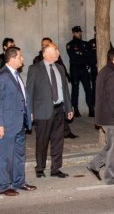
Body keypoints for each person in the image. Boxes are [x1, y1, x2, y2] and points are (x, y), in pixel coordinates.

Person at [0, 47, 37, 196]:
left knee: (19, 155)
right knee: (6, 157)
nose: (22, 59)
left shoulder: (16, 74)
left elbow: (22, 97)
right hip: (7, 124)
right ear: (12, 59)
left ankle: (19, 181)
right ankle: (4, 186)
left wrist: (28, 113)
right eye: (20, 56)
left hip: (19, 123)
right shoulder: (2, 76)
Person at [26, 43, 74, 179]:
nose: (58, 52)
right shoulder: (35, 69)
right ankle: (40, 168)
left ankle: (56, 168)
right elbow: (29, 92)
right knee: (42, 141)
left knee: (58, 141)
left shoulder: (60, 68)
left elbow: (65, 90)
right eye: (55, 50)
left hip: (59, 110)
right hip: (42, 112)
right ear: (46, 54)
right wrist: (29, 112)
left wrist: (69, 108)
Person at [86, 48, 114, 185]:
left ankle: (94, 165)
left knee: (112, 146)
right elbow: (113, 100)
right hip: (112, 118)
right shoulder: (112, 74)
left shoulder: (108, 70)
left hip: (108, 117)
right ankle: (111, 177)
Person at [32, 37, 77, 139]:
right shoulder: (37, 60)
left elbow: (62, 72)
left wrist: (67, 76)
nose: (44, 46)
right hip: (45, 105)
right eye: (43, 45)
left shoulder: (57, 62)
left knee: (58, 138)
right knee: (43, 138)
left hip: (58, 105)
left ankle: (66, 132)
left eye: (47, 44)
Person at [66, 26, 94, 117]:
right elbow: (74, 58)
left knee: (88, 89)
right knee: (75, 91)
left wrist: (83, 56)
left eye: (80, 32)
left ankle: (91, 108)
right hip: (75, 70)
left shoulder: (85, 44)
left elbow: (89, 56)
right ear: (73, 33)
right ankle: (75, 110)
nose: (79, 34)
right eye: (77, 32)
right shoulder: (69, 44)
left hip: (84, 70)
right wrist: (83, 56)